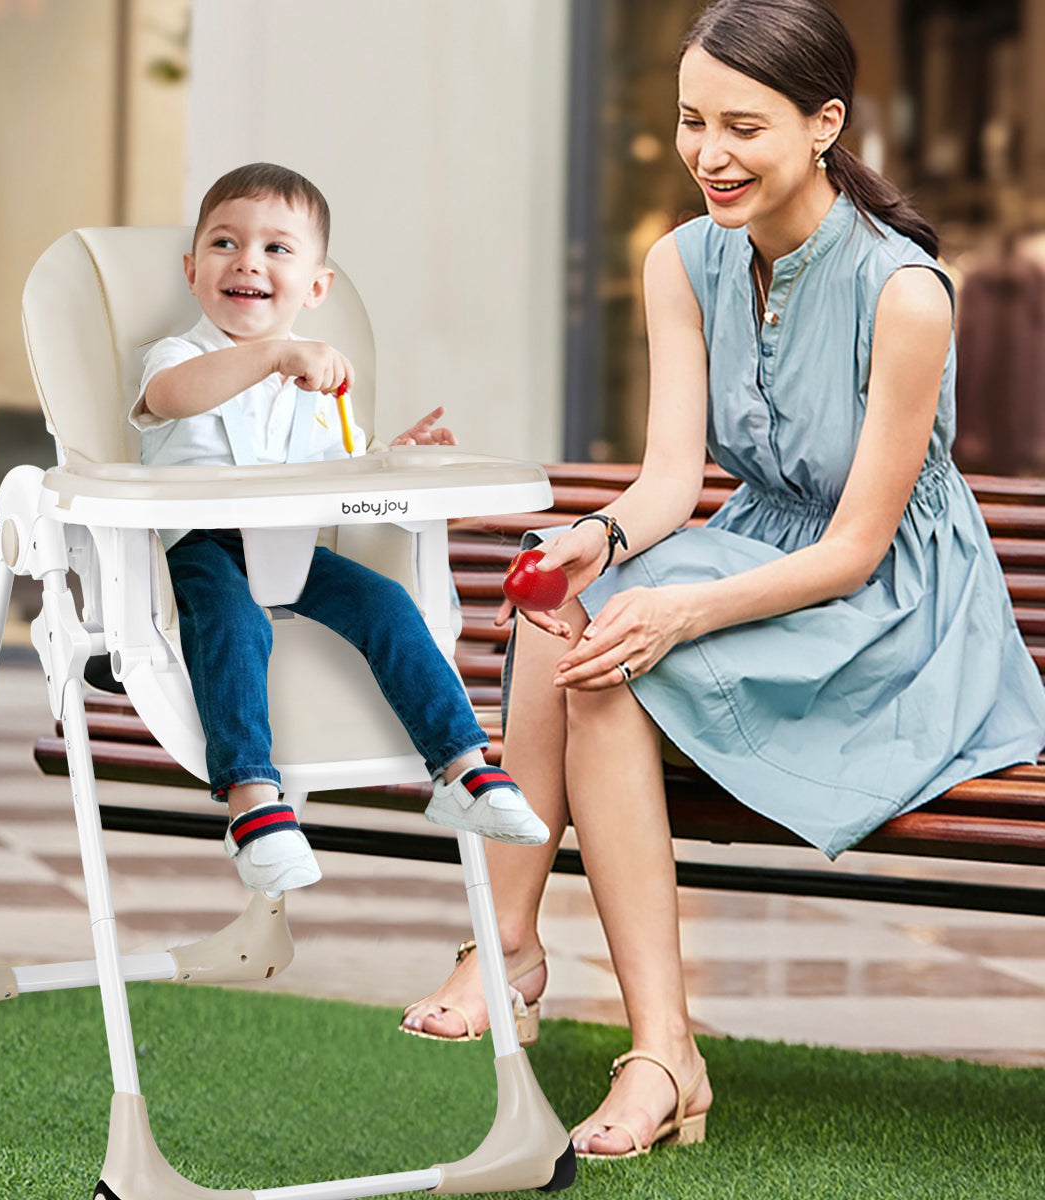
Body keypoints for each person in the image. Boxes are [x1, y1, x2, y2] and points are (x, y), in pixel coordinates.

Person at [400, 0, 1045, 1161]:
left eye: (743, 127)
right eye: (692, 120)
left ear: (824, 125)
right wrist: (599, 540)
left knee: (610, 666)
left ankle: (661, 1054)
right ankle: (516, 948)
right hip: (758, 553)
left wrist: (680, 608)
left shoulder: (906, 293)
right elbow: (666, 484)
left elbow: (857, 550)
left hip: (888, 610)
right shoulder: (681, 259)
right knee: (562, 619)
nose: (709, 153)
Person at [131, 163, 548, 894]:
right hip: (200, 546)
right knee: (234, 620)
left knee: (386, 602)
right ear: (193, 270)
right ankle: (253, 801)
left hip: (291, 548)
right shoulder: (178, 358)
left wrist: (394, 458)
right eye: (225, 243)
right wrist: (273, 354)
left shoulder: (319, 387)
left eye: (276, 248)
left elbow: (340, 476)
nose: (248, 261)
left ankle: (462, 768)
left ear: (316, 287)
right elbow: (170, 397)